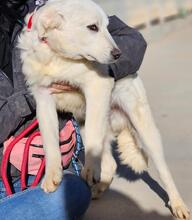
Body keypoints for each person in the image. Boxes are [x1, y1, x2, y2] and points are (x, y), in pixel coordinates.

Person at [0, 0, 147, 219]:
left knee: (73, 194)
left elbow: (132, 40)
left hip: (50, 171)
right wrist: (35, 92)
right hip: (5, 175)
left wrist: (91, 63)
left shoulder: (54, 6)